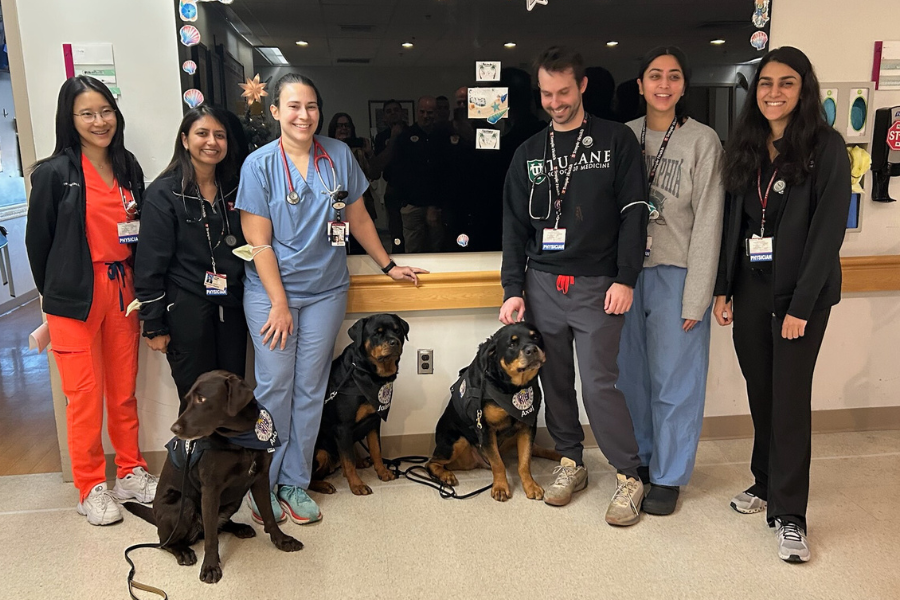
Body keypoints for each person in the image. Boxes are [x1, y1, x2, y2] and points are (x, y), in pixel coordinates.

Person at [236, 73, 426, 525]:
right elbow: (258, 242)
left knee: (310, 389)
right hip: (272, 295)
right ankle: (261, 483)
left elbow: (358, 218)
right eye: (294, 106)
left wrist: (387, 264)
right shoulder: (258, 165)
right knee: (274, 388)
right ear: (276, 111)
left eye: (312, 106)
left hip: (325, 291)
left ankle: (294, 483)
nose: (304, 115)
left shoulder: (337, 155)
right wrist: (279, 302)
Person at [500, 47, 649, 526]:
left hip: (598, 284)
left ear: (582, 86)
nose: (555, 102)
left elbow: (633, 216)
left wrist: (626, 278)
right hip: (542, 284)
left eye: (563, 92)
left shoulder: (615, 140)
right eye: (546, 93)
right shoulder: (528, 153)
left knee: (600, 384)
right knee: (554, 378)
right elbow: (514, 230)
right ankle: (571, 462)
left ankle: (629, 475)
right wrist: (512, 289)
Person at [713, 46, 851, 563]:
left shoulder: (826, 148)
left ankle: (791, 516)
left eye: (786, 83)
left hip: (800, 297)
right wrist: (723, 289)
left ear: (804, 88)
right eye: (766, 83)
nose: (774, 93)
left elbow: (826, 233)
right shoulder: (746, 145)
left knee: (790, 401)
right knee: (761, 390)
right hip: (750, 290)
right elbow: (736, 225)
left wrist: (801, 306)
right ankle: (764, 481)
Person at [25, 76, 157, 525]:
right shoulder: (53, 173)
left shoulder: (128, 166)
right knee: (84, 395)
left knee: (123, 391)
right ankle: (89, 486)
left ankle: (131, 472)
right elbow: (37, 245)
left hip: (124, 292)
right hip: (73, 298)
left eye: (106, 111)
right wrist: (54, 299)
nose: (100, 121)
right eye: (88, 113)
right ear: (71, 118)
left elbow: (139, 230)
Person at [616, 47, 725, 516]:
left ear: (684, 86)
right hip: (625, 275)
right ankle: (641, 461)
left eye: (674, 76)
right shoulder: (622, 137)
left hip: (677, 274)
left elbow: (709, 222)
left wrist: (697, 296)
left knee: (676, 380)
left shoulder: (703, 141)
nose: (664, 84)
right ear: (639, 85)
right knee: (632, 377)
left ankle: (669, 474)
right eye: (654, 75)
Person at [133, 106, 247, 411]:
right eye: (202, 133)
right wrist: (154, 324)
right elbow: (149, 264)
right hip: (186, 309)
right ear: (185, 140)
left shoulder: (235, 188)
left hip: (231, 305)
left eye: (220, 135)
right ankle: (198, 457)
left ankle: (229, 458)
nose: (212, 142)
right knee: (197, 398)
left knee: (233, 392)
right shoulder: (164, 193)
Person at [387, 95, 452, 253]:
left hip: (436, 206)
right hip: (412, 205)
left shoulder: (443, 137)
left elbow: (445, 174)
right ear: (417, 112)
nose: (426, 116)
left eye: (430, 112)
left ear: (436, 113)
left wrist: (436, 205)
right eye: (422, 112)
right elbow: (398, 171)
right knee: (413, 251)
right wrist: (404, 201)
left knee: (436, 250)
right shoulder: (406, 137)